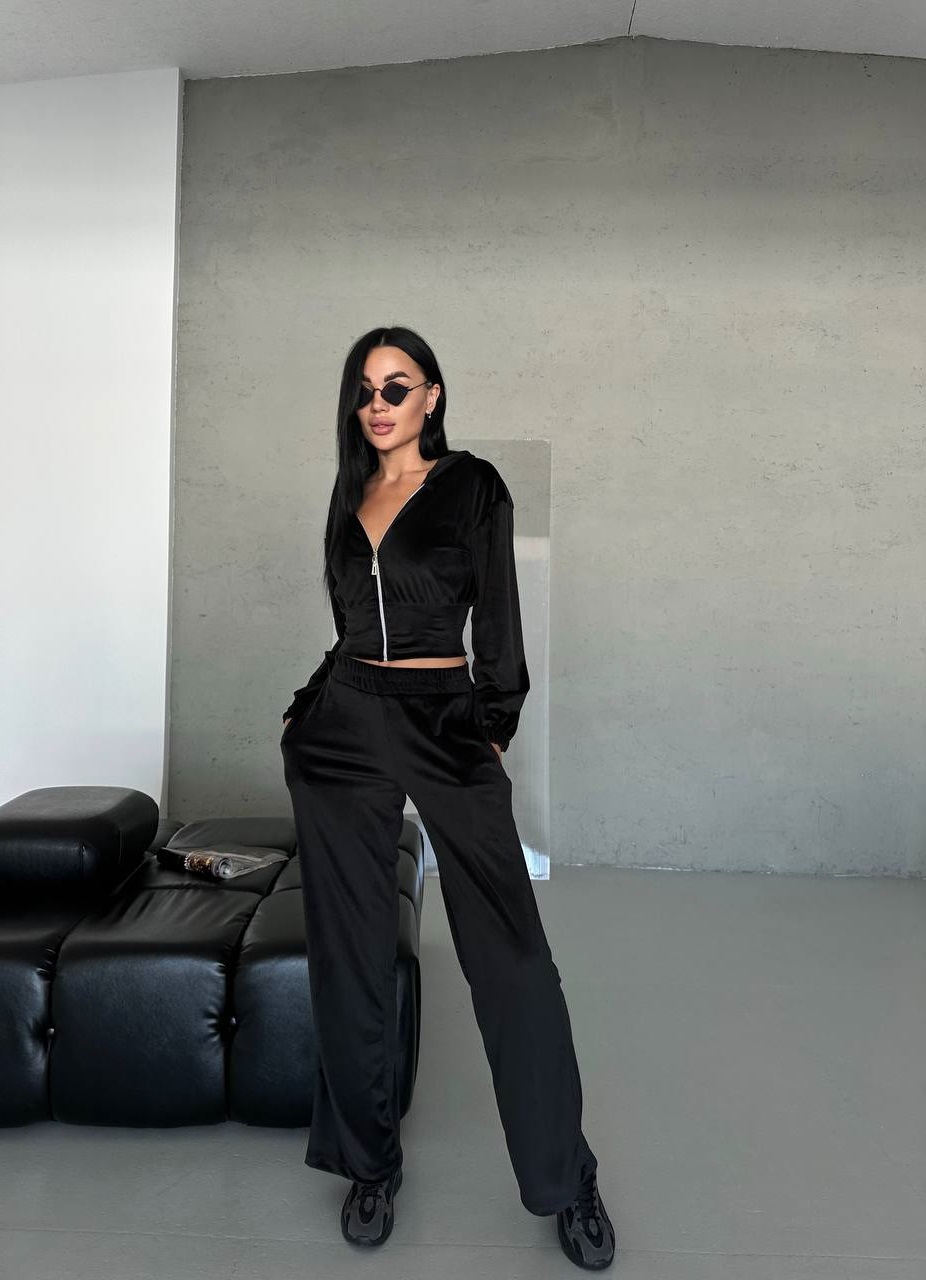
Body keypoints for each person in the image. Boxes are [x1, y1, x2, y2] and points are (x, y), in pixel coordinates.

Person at [280, 325, 616, 1270]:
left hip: (444, 717)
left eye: (397, 386)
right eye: (364, 389)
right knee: (351, 955)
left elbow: (499, 619)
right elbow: (349, 619)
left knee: (513, 959)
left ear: (432, 395)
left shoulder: (473, 488)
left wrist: (491, 725)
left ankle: (566, 1177)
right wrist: (311, 711)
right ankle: (368, 1164)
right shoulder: (351, 492)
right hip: (344, 729)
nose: (377, 404)